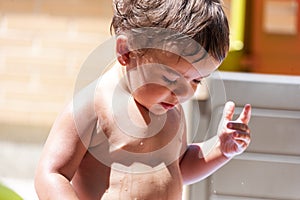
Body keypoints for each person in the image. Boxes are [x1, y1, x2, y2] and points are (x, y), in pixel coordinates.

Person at [34, 0, 252, 199]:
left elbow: (178, 167)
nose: (183, 92)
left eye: (196, 81)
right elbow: (51, 174)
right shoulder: (93, 107)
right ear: (126, 52)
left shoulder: (171, 112)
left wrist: (219, 150)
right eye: (170, 77)